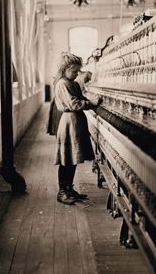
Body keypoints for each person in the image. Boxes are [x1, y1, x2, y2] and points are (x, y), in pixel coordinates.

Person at [52, 52, 101, 205]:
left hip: (77, 121)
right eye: (74, 71)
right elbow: (74, 104)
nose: (76, 74)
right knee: (66, 159)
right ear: (64, 68)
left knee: (72, 158)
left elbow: (80, 99)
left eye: (78, 71)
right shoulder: (62, 84)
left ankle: (69, 188)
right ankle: (62, 192)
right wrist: (91, 103)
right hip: (69, 122)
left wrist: (89, 100)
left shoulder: (72, 83)